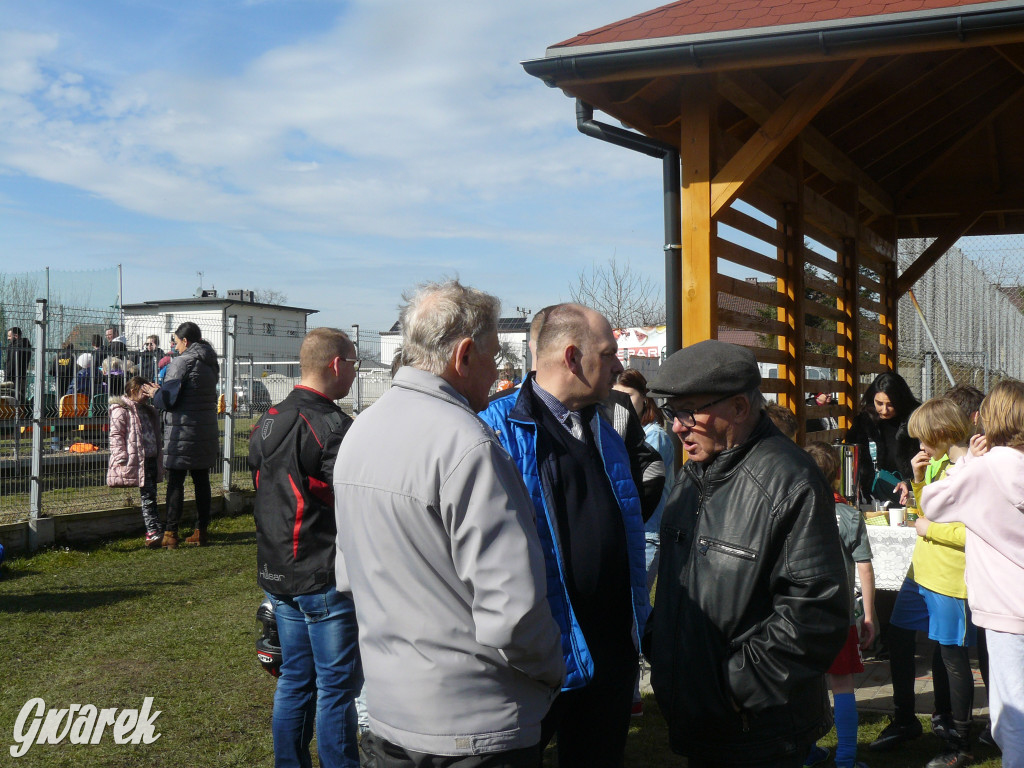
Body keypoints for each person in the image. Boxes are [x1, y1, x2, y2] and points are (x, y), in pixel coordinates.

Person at [333, 279, 564, 767]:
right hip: (476, 726)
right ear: (463, 356)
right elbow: (514, 610)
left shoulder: (361, 431)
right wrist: (551, 671)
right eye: (494, 356)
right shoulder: (469, 445)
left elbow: (349, 575)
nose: (499, 371)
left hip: (391, 715)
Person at [645, 339, 848, 768]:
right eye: (670, 412)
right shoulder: (693, 475)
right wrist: (664, 650)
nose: (677, 427)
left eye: (688, 412)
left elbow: (815, 613)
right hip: (704, 720)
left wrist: (733, 690)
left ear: (739, 408)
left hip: (759, 733)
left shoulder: (790, 480)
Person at [479, 303, 649, 768]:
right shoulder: (495, 431)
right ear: (573, 358)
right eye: (610, 353)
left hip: (611, 651)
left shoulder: (604, 425)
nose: (619, 365)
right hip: (540, 659)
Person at [249, 328, 361, 768]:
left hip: (279, 571)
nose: (354, 372)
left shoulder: (268, 418)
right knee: (335, 688)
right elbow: (356, 498)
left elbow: (262, 484)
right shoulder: (333, 425)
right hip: (322, 575)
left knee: (296, 680)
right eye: (353, 363)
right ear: (336, 364)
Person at [922, 379, 1024, 767]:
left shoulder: (985, 468)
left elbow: (933, 502)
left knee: (1011, 716)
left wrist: (966, 464)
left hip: (1004, 610)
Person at [869, 398, 974, 768]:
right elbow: (923, 514)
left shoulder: (970, 470)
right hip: (920, 572)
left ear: (943, 433)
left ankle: (958, 738)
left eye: (924, 440)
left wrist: (930, 529)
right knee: (898, 638)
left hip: (949, 578)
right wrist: (915, 482)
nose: (920, 448)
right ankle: (905, 719)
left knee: (951, 657)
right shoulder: (937, 464)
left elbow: (975, 532)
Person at [804, 442, 877, 768]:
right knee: (843, 685)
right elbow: (865, 569)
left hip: (801, 615)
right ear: (837, 476)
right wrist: (870, 616)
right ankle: (845, 759)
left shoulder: (796, 512)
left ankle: (805, 752)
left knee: (803, 685)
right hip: (841, 616)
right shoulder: (850, 516)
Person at [142, 321, 219, 549]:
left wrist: (156, 392)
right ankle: (201, 530)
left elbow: (169, 401)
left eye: (175, 342)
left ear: (185, 341)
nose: (174, 347)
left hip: (182, 432)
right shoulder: (211, 362)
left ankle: (170, 533)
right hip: (205, 430)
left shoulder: (181, 363)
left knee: (175, 482)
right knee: (201, 480)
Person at [613, 368, 676, 591]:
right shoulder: (622, 433)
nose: (622, 403)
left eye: (628, 396)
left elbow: (641, 485)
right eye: (616, 396)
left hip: (647, 535)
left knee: (635, 600)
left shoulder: (653, 435)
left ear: (645, 398)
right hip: (630, 531)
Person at [843, 371, 920, 505]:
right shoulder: (864, 421)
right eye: (879, 403)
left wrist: (910, 481)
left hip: (910, 489)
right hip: (873, 493)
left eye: (890, 404)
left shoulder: (916, 417)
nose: (884, 410)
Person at [107, 376, 165, 548]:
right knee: (147, 496)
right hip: (137, 459)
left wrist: (159, 394)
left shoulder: (148, 410)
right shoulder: (121, 409)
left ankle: (155, 530)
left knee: (151, 495)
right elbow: (116, 435)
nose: (147, 394)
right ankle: (153, 532)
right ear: (133, 390)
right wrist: (121, 457)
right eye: (144, 390)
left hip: (151, 457)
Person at [5, 326, 32, 405]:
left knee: (10, 400)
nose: (8, 338)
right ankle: (21, 415)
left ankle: (14, 416)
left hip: (12, 379)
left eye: (10, 336)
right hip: (21, 377)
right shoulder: (26, 346)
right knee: (20, 398)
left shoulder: (14, 347)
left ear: (16, 336)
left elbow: (12, 363)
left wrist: (7, 377)